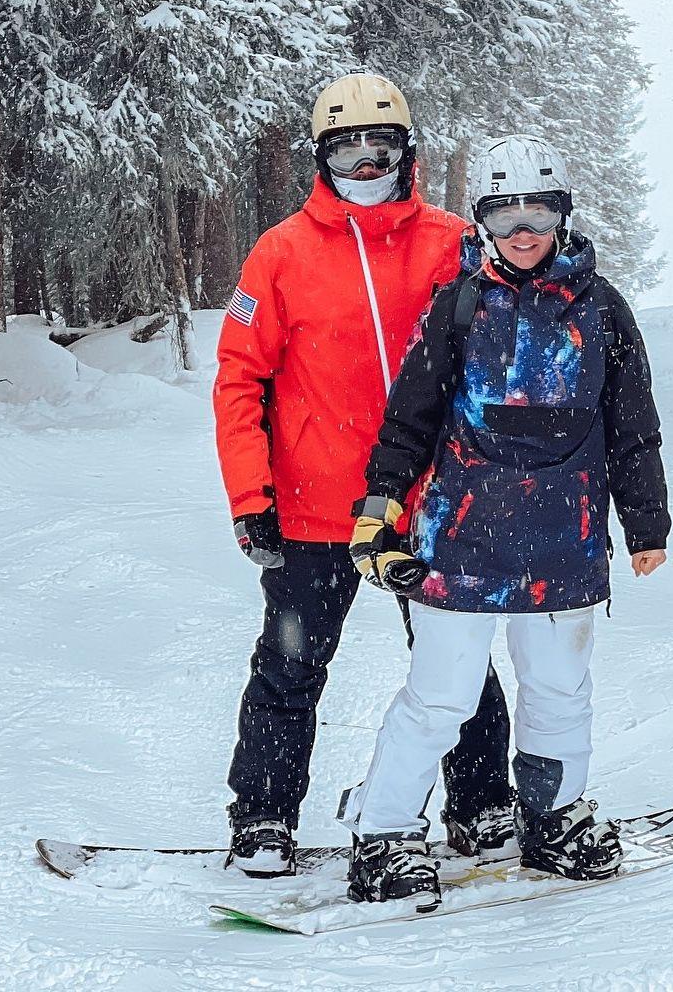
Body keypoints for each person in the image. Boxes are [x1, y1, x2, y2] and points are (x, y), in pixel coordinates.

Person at [341, 134, 671, 908]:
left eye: (540, 211)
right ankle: (385, 835)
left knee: (559, 690)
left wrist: (646, 523)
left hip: (568, 537)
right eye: (505, 213)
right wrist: (381, 503)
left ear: (563, 213)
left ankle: (554, 821)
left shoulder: (603, 309)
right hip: (463, 534)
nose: (524, 231)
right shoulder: (458, 305)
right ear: (484, 219)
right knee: (441, 695)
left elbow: (633, 425)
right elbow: (410, 418)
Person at [212, 73, 516, 875]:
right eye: (347, 147)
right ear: (322, 156)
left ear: (406, 151)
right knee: (289, 664)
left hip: (432, 505)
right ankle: (264, 818)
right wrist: (251, 495)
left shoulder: (454, 242)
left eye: (380, 146)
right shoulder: (280, 254)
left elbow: (499, 357)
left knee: (458, 665)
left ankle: (484, 802)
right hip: (315, 507)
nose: (365, 161)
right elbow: (238, 377)